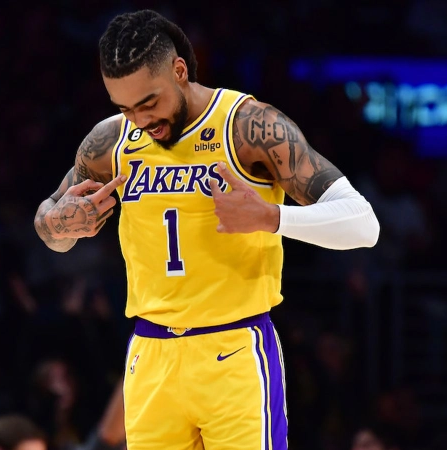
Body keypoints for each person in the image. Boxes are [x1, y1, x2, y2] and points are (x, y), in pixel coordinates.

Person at [33, 9, 380, 450]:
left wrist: (272, 218)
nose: (140, 120)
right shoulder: (110, 140)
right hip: (150, 354)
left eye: (149, 103)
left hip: (234, 350)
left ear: (180, 70)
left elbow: (362, 222)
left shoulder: (249, 125)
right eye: (125, 107)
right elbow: (48, 225)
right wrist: (63, 225)